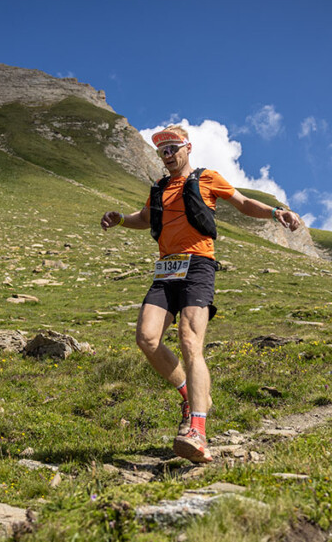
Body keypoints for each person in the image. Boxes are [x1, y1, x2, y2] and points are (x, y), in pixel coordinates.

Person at [100, 125, 302, 463]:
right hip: (166, 269)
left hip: (198, 266)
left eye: (172, 148)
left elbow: (242, 203)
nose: (167, 155)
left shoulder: (208, 178)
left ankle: (197, 429)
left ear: (187, 147)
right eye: (162, 151)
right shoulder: (160, 187)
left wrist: (273, 212)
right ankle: (190, 395)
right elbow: (146, 218)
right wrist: (120, 218)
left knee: (190, 341)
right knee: (147, 339)